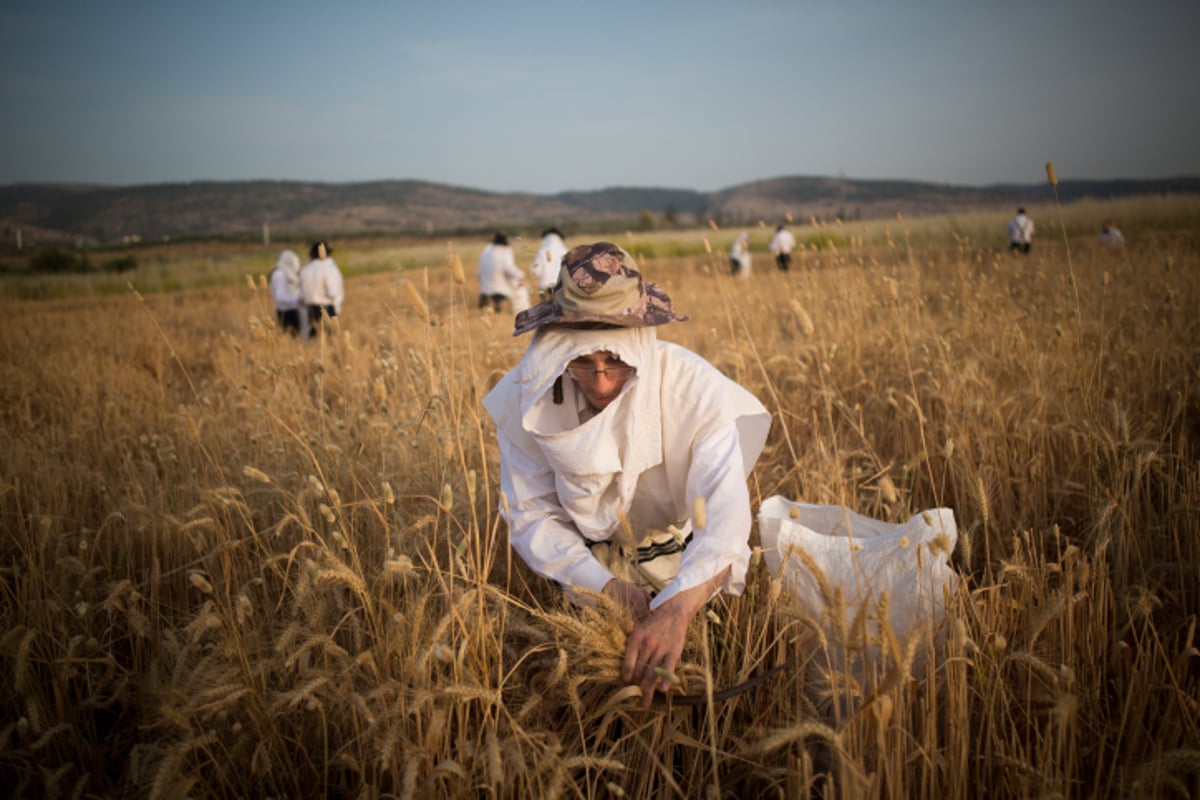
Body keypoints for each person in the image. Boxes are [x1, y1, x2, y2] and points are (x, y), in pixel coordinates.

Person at [482, 242, 771, 708]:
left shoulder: (694, 392)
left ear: (639, 342)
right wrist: (602, 586)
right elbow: (529, 513)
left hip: (683, 564)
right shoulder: (530, 395)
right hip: (581, 569)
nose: (599, 382)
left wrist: (677, 608)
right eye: (582, 364)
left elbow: (725, 520)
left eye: (614, 362)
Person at [299, 240, 344, 338]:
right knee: (330, 341)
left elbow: (300, 296)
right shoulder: (329, 269)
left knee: (313, 341)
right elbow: (332, 292)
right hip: (326, 308)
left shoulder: (305, 270)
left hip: (310, 310)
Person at [477, 232, 526, 313]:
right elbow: (509, 269)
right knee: (521, 291)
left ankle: (490, 306)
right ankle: (519, 312)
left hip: (485, 288)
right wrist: (521, 274)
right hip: (500, 288)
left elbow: (478, 274)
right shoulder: (503, 252)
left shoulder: (486, 252)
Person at [268, 249, 305, 336]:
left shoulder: (289, 274)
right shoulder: (279, 274)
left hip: (295, 309)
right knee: (290, 336)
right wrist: (296, 301)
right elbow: (279, 296)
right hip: (285, 312)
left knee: (297, 336)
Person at [529, 227, 568, 303]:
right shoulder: (566, 251)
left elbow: (535, 271)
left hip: (545, 286)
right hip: (562, 287)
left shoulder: (542, 252)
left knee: (546, 311)